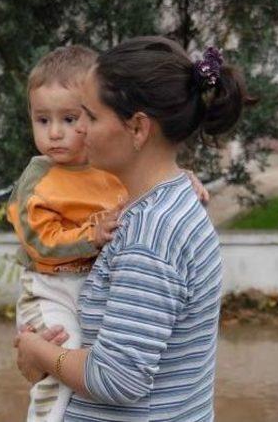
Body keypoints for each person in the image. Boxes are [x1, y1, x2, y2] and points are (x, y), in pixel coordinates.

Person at [13, 36, 252, 421]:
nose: (79, 132)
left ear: (138, 128)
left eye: (89, 117)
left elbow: (117, 378)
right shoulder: (168, 203)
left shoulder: (150, 236)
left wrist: (38, 352)